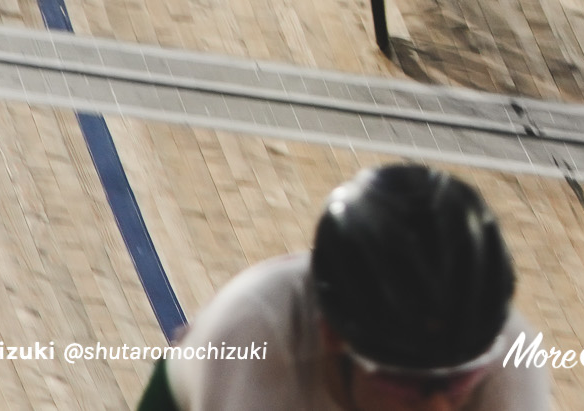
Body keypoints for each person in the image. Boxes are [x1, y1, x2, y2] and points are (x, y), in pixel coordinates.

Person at [135, 163, 548, 410]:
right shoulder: (250, 329)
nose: (437, 409)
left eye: (458, 383)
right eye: (406, 385)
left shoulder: (508, 349)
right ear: (331, 333)